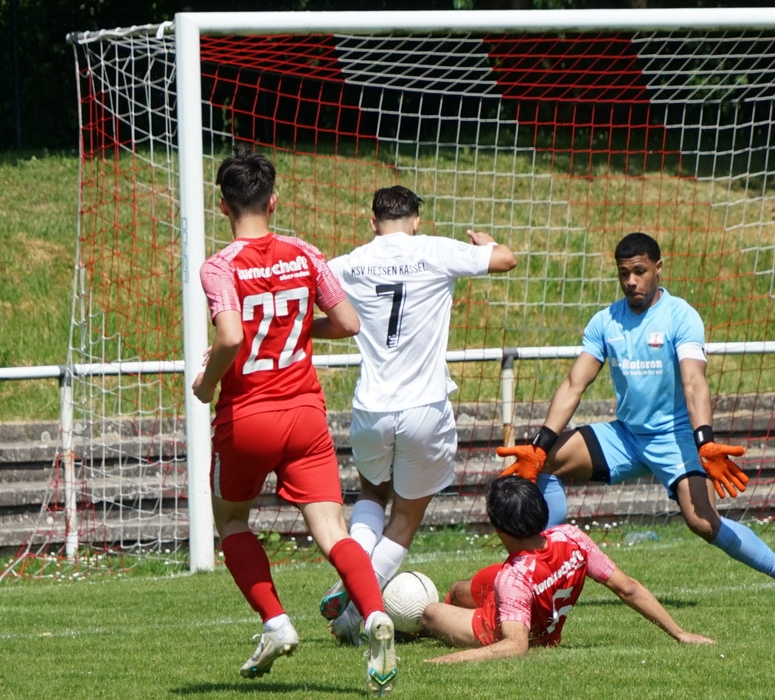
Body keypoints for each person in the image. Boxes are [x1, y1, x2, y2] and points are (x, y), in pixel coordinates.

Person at [496, 231, 775, 606]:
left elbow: (694, 381)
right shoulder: (606, 322)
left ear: (658, 268)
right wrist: (539, 444)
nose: (631, 281)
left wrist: (705, 442)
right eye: (624, 273)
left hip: (676, 439)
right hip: (625, 437)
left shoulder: (681, 316)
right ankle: (538, 567)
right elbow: (575, 383)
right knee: (539, 464)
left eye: (639, 271)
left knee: (703, 522)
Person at [190, 149, 396, 695]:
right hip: (305, 413)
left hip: (248, 416)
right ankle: (375, 613)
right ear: (273, 201)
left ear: (223, 205)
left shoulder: (220, 265)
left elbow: (231, 336)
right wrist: (299, 329)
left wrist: (206, 385)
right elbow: (348, 322)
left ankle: (276, 622)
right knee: (332, 531)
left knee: (232, 521)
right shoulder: (304, 253)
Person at [320, 185, 518, 644]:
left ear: (373, 222)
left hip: (372, 406)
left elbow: (312, 302)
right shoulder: (434, 250)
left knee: (373, 491)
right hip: (424, 407)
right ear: (415, 222)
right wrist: (486, 243)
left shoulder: (350, 263)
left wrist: (302, 330)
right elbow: (506, 259)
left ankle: (350, 580)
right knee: (406, 517)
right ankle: (353, 609)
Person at [420, 475, 715, 663]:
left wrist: (445, 661)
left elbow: (515, 645)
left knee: (430, 613)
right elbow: (628, 588)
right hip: (526, 592)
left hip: (497, 626)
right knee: (461, 589)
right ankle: (455, 599)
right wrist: (680, 633)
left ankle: (413, 628)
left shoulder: (513, 579)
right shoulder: (572, 538)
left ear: (498, 528)